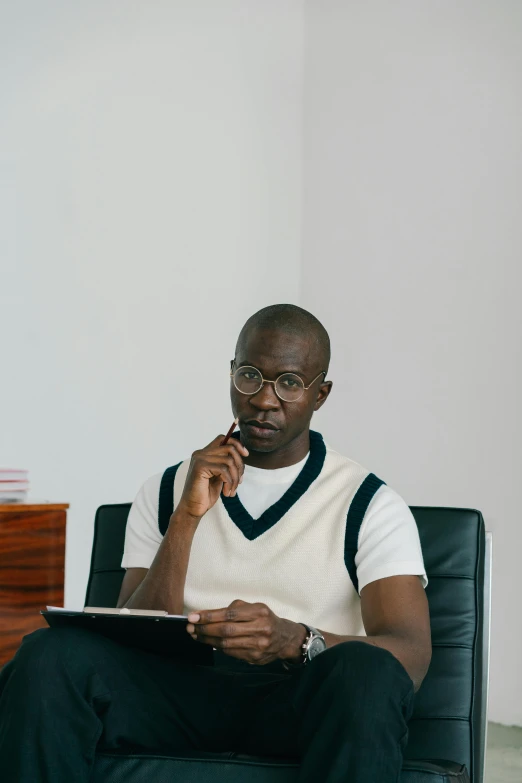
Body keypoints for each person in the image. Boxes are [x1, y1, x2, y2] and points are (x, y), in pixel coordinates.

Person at [0, 304, 431, 783]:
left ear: (320, 394)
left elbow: (410, 655)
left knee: (367, 674)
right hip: (177, 697)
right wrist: (185, 519)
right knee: (48, 655)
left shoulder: (368, 503)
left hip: (295, 703)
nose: (264, 400)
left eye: (289, 383)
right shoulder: (166, 490)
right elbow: (131, 634)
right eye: (250, 376)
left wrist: (295, 639)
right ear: (231, 375)